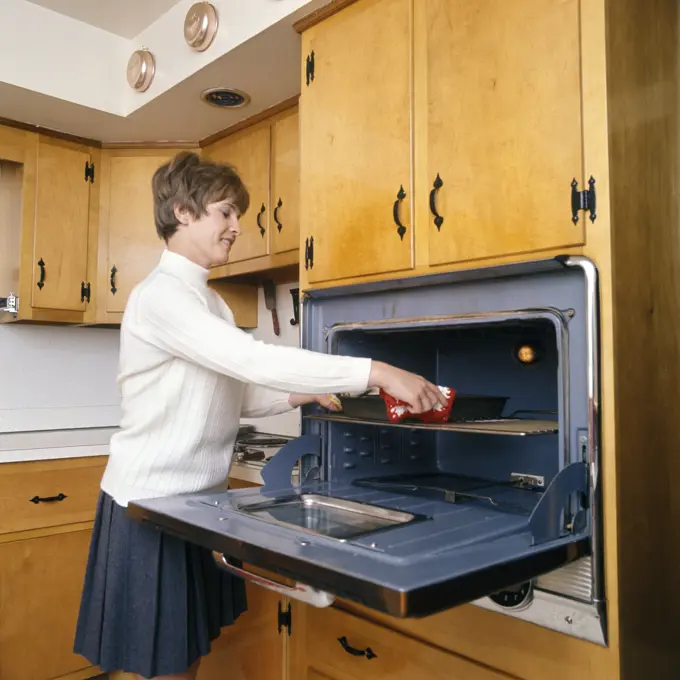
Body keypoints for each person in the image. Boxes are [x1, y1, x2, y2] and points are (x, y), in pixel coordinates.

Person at [72, 152, 443, 680]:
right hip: (148, 505)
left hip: (196, 503)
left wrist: (299, 397)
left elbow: (237, 392)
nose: (237, 227)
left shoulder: (211, 304)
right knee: (158, 666)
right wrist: (377, 372)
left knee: (185, 654)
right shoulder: (161, 297)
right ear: (182, 211)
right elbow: (250, 359)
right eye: (225, 212)